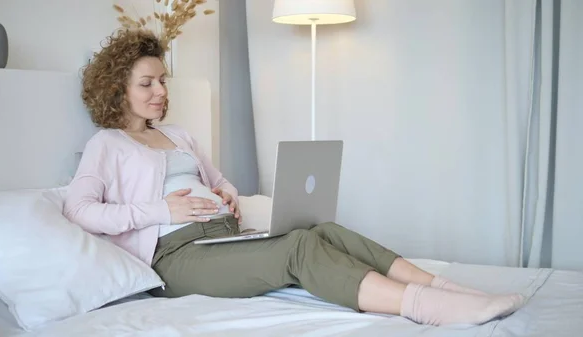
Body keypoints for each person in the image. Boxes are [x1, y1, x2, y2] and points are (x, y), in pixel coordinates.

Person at [64, 29, 525, 326]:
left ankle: (441, 286)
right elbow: (79, 211)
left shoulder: (178, 134)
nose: (161, 91)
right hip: (178, 257)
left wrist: (225, 191)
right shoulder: (109, 145)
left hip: (221, 237)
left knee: (321, 229)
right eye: (147, 83)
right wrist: (162, 210)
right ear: (116, 90)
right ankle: (428, 308)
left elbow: (218, 178)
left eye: (162, 80)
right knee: (298, 248)